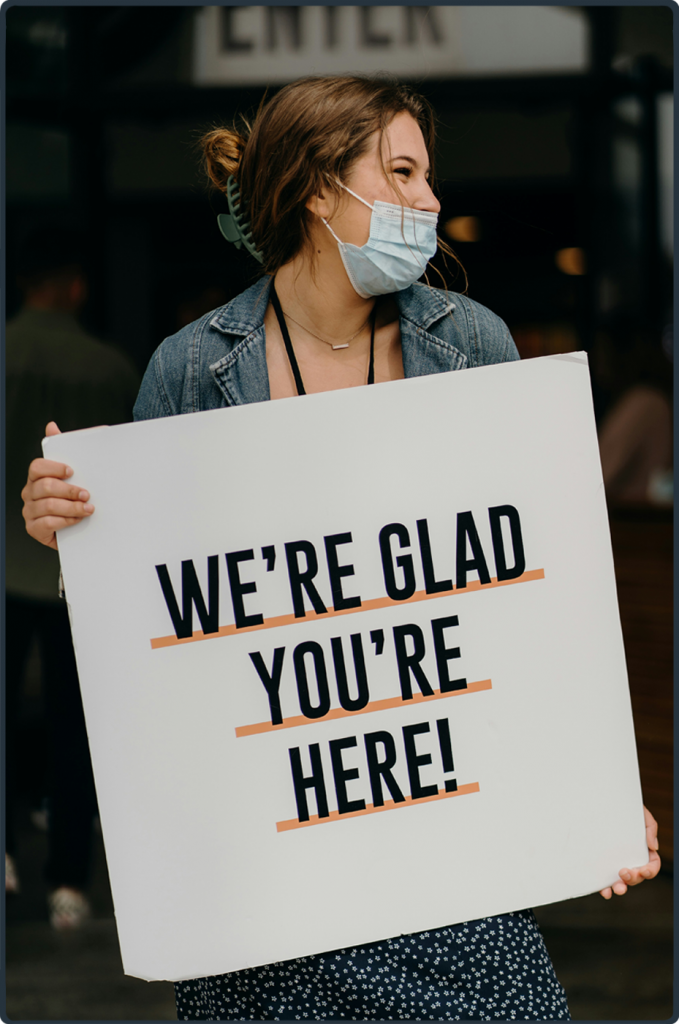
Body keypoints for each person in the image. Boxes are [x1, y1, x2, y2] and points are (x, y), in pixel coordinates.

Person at [20, 76, 660, 1020]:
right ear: (320, 189)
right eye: (400, 173)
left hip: (446, 846)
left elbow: (535, 589)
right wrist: (76, 534)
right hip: (268, 868)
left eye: (427, 176)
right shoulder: (193, 367)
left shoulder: (469, 342)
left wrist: (596, 787)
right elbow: (159, 631)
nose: (429, 203)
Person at [6, 227, 140, 928]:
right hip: (78, 574)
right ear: (75, 287)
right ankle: (69, 885)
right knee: (74, 731)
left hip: (4, 564)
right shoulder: (108, 366)